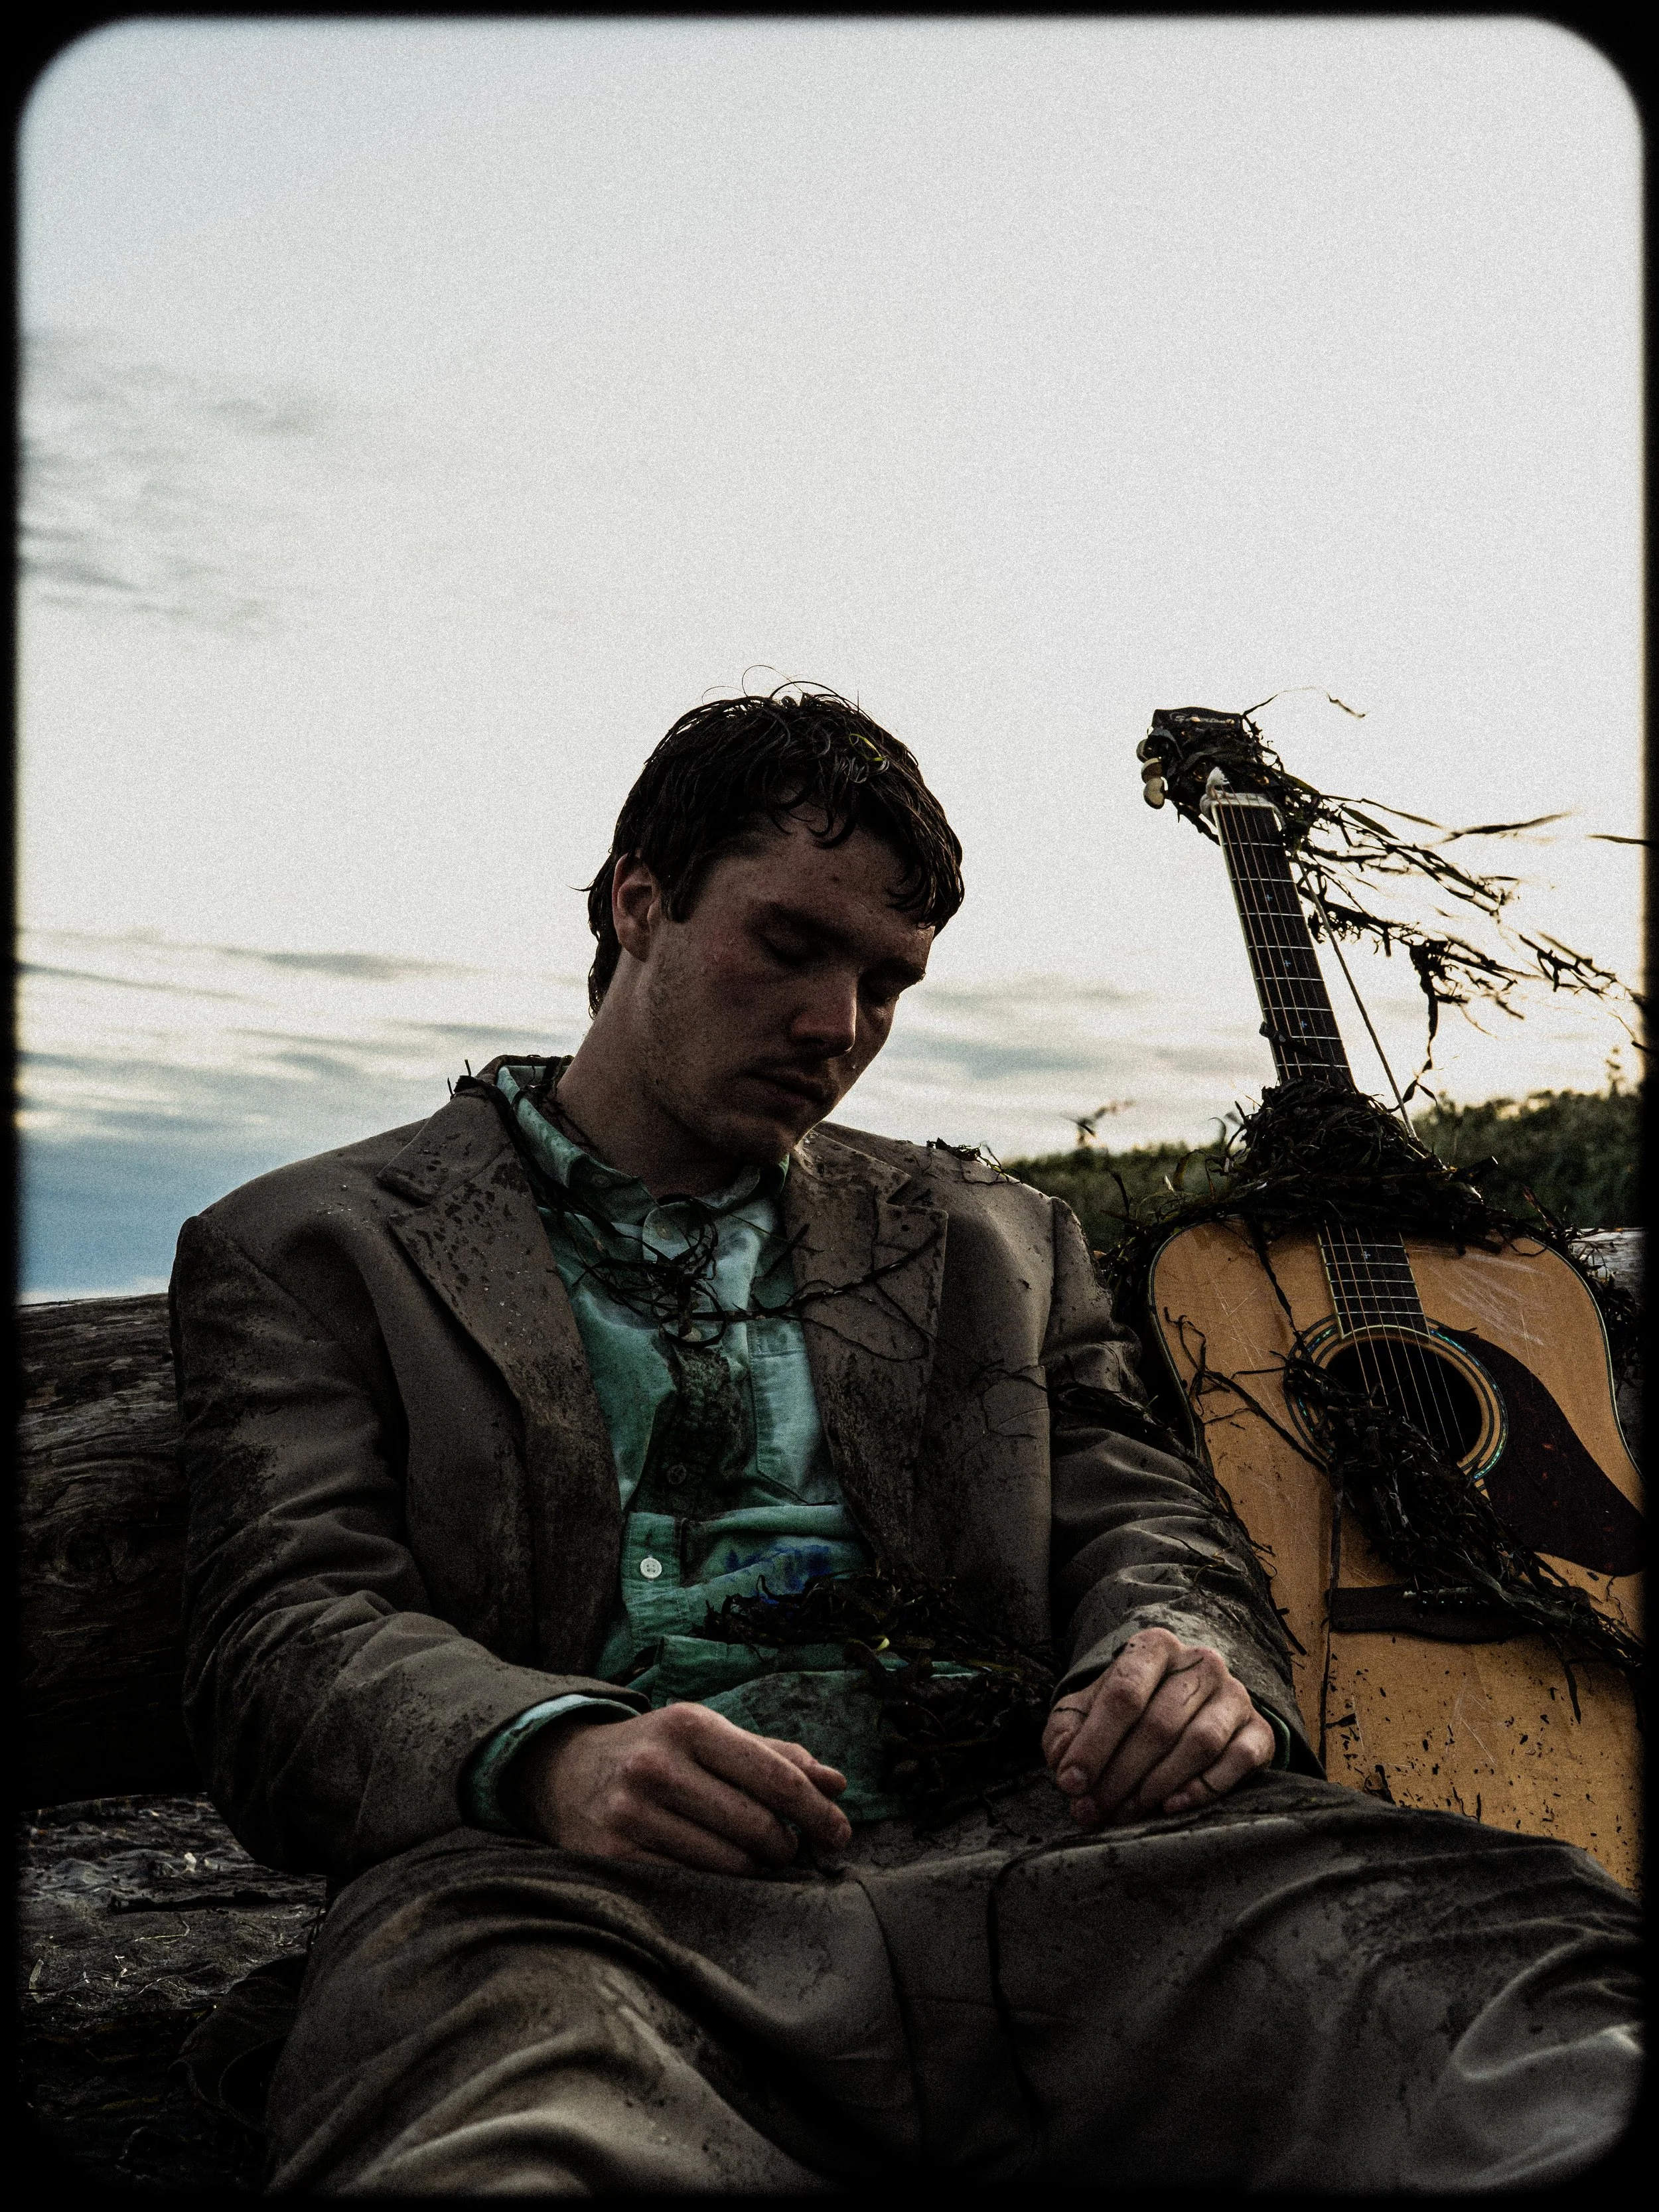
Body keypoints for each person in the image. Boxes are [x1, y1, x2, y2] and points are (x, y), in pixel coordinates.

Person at [170, 686, 1638, 2193]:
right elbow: (283, 1627)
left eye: (887, 984)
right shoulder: (319, 1244)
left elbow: (1146, 1518)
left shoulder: (998, 1240)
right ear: (639, 902)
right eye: (788, 945)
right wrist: (552, 1754)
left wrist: (1178, 1656)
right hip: (573, 1913)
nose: (836, 1028)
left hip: (1075, 1869)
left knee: (1539, 1999)